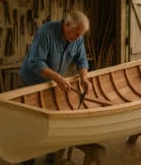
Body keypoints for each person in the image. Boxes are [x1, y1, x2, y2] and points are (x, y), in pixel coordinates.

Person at [19, 11, 91, 165]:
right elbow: (36, 62)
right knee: (30, 121)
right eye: (77, 33)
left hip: (52, 81)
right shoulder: (46, 32)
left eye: (81, 35)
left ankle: (51, 152)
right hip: (32, 80)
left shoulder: (78, 37)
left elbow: (82, 59)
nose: (78, 38)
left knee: (51, 119)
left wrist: (84, 76)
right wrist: (58, 78)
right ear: (66, 25)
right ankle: (26, 157)